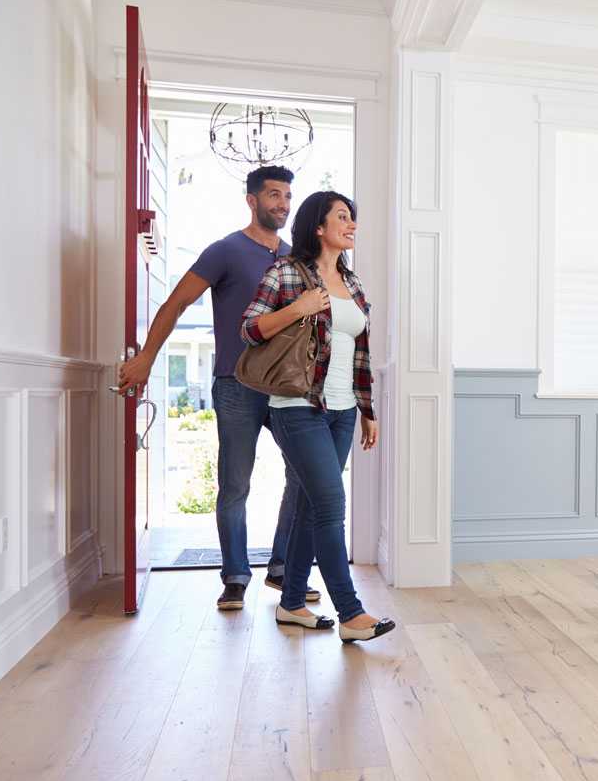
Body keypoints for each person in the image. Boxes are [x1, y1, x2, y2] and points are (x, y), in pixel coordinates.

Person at [116, 165, 321, 611]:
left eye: (287, 196)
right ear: (252, 200)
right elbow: (175, 304)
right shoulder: (225, 251)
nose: (282, 204)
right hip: (237, 384)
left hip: (288, 389)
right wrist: (147, 357)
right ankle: (235, 576)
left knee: (304, 477)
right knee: (234, 484)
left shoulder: (295, 258)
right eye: (273, 195)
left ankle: (283, 568)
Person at [240, 190, 395, 643]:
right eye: (343, 217)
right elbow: (249, 329)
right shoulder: (286, 273)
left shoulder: (354, 283)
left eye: (354, 218)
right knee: (330, 506)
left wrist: (367, 411)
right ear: (319, 227)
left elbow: (361, 352)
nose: (352, 225)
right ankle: (350, 613)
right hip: (298, 408)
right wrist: (297, 307)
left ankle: (291, 605)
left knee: (310, 507)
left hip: (343, 411)